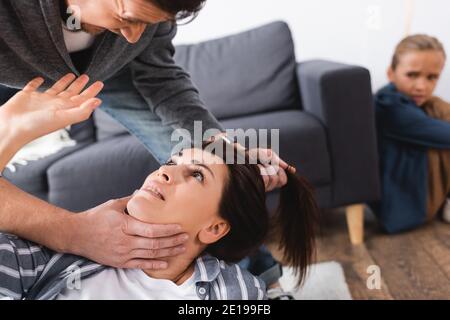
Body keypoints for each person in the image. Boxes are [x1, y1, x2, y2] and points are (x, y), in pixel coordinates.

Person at [0, 0, 291, 287]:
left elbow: (160, 76)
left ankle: (264, 278)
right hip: (13, 83)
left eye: (148, 23)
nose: (134, 36)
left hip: (113, 75)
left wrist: (222, 150)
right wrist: (76, 232)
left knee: (215, 173)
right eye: (126, 18)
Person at [0, 81, 319, 299]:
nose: (165, 171)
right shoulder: (44, 260)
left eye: (195, 175)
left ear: (215, 227)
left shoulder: (237, 290)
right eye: (170, 161)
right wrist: (9, 131)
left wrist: (239, 180)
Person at [374, 34, 450, 233]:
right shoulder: (387, 106)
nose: (421, 86)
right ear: (391, 73)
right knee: (440, 109)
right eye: (412, 75)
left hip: (415, 187)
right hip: (403, 206)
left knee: (437, 104)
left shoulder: (411, 101)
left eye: (432, 77)